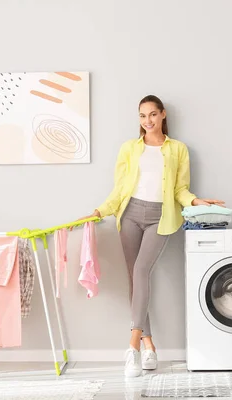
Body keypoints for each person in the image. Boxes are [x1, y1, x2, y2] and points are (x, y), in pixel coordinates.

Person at [79, 95, 224, 377]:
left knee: (142, 270)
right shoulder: (129, 149)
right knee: (135, 277)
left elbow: (180, 190)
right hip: (130, 213)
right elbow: (120, 190)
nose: (148, 121)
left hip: (161, 216)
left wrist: (195, 202)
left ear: (163, 115)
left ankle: (132, 344)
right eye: (143, 116)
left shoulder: (179, 149)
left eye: (153, 115)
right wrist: (100, 210)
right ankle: (149, 346)